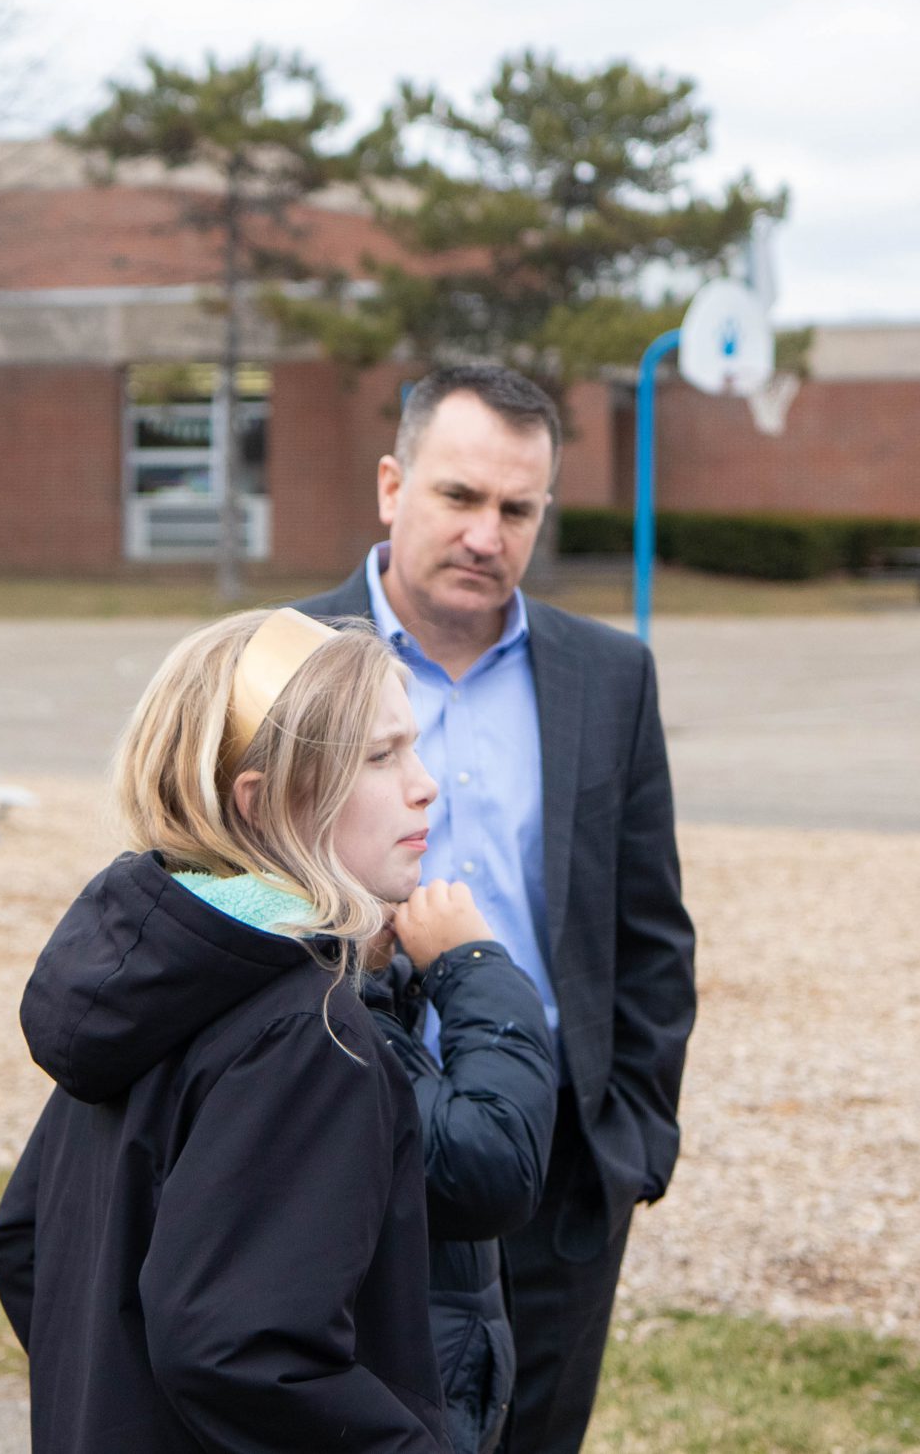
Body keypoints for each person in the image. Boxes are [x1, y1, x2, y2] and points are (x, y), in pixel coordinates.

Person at [295, 362, 696, 1454]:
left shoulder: (608, 679)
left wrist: (632, 1147)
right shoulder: (281, 659)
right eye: (459, 497)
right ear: (392, 486)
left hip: (551, 1171)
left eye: (516, 509)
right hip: (339, 1136)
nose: (486, 533)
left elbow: (650, 934)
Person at [0, 608, 450, 1453]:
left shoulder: (154, 977)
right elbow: (242, 1348)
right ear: (267, 799)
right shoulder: (309, 1033)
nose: (424, 782)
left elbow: (27, 1249)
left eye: (411, 746)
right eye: (379, 757)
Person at [367, 880, 556, 1454]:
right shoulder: (321, 1010)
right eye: (376, 780)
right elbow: (489, 1162)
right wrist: (471, 963)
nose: (426, 786)